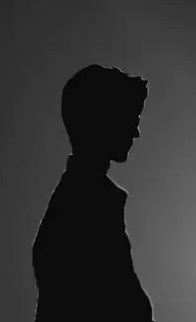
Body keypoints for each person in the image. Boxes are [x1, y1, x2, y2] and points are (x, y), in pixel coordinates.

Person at [32, 64, 155, 322]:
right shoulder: (85, 202)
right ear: (105, 119)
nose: (136, 132)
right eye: (132, 120)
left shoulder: (88, 197)